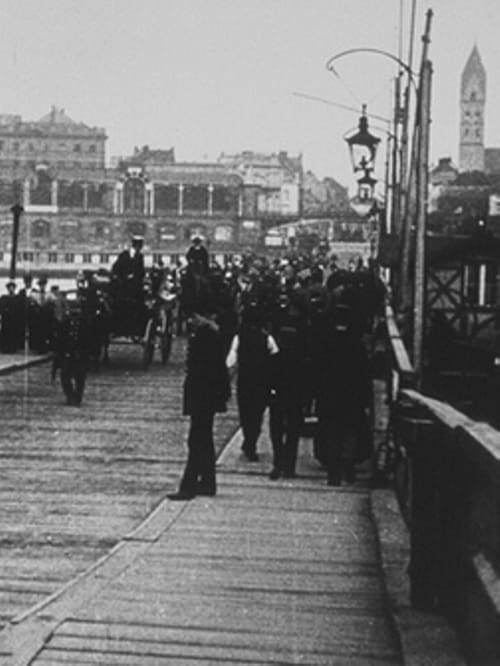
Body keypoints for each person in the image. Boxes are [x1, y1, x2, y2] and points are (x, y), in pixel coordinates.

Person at [168, 302, 230, 500]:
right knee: (203, 438)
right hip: (207, 394)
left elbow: (203, 369)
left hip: (202, 394)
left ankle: (189, 485)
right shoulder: (210, 335)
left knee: (197, 439)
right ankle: (207, 482)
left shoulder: (205, 336)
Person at [313, 305, 372, 486]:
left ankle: (333, 473)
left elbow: (318, 372)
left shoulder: (325, 343)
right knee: (350, 433)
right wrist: (366, 397)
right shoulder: (357, 345)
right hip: (352, 398)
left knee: (332, 434)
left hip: (329, 397)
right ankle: (348, 468)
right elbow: (364, 374)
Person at [226, 301, 279, 462]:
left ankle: (248, 440)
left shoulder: (239, 337)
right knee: (258, 414)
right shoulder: (266, 338)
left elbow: (231, 362)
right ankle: (251, 441)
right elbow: (275, 356)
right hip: (262, 381)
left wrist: (227, 380)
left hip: (245, 380)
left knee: (245, 413)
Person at [55, 293, 91, 406]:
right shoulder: (65, 324)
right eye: (72, 309)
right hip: (68, 354)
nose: (74, 312)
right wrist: (60, 355)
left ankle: (78, 397)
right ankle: (70, 396)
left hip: (80, 355)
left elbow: (90, 340)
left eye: (76, 309)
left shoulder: (85, 324)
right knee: (65, 375)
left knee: (80, 377)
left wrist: (87, 355)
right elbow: (60, 340)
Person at [0, 281, 19, 353]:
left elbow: (19, 309)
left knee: (13, 334)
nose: (11, 289)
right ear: (7, 289)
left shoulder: (17, 298)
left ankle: (12, 348)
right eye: (9, 288)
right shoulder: (4, 298)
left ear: (14, 289)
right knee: (5, 333)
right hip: (6, 319)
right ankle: (5, 348)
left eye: (12, 288)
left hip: (14, 320)